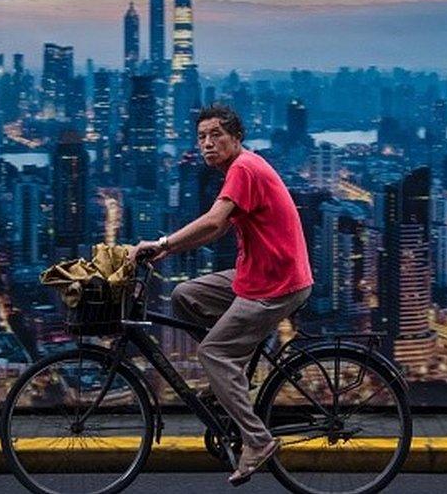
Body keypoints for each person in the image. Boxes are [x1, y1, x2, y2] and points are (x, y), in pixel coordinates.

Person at [129, 104, 313, 485]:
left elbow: (213, 220)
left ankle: (257, 440)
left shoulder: (244, 168)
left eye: (216, 135)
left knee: (212, 352)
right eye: (201, 137)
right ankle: (230, 377)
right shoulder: (241, 168)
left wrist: (159, 240)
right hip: (256, 273)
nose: (208, 144)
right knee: (185, 295)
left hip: (276, 283)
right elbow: (217, 230)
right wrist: (168, 252)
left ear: (236, 137)